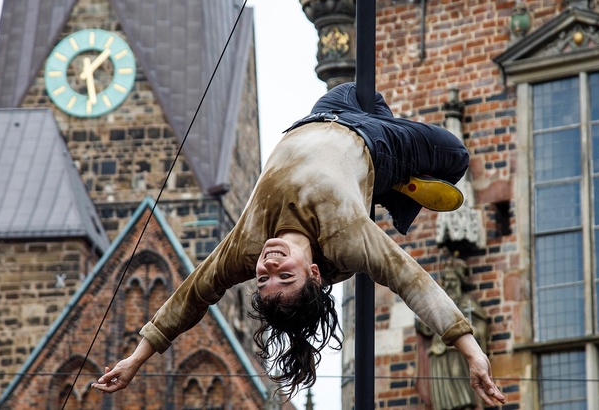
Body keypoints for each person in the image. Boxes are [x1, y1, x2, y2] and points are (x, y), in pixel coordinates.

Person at [92, 83, 506, 406]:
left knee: (366, 92)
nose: (268, 265)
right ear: (312, 273)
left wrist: (135, 358)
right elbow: (413, 282)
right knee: (455, 157)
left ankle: (389, 190)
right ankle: (392, 181)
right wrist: (470, 350)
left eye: (263, 278)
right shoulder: (344, 238)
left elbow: (189, 298)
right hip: (374, 144)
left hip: (321, 115)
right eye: (283, 275)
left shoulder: (246, 246)